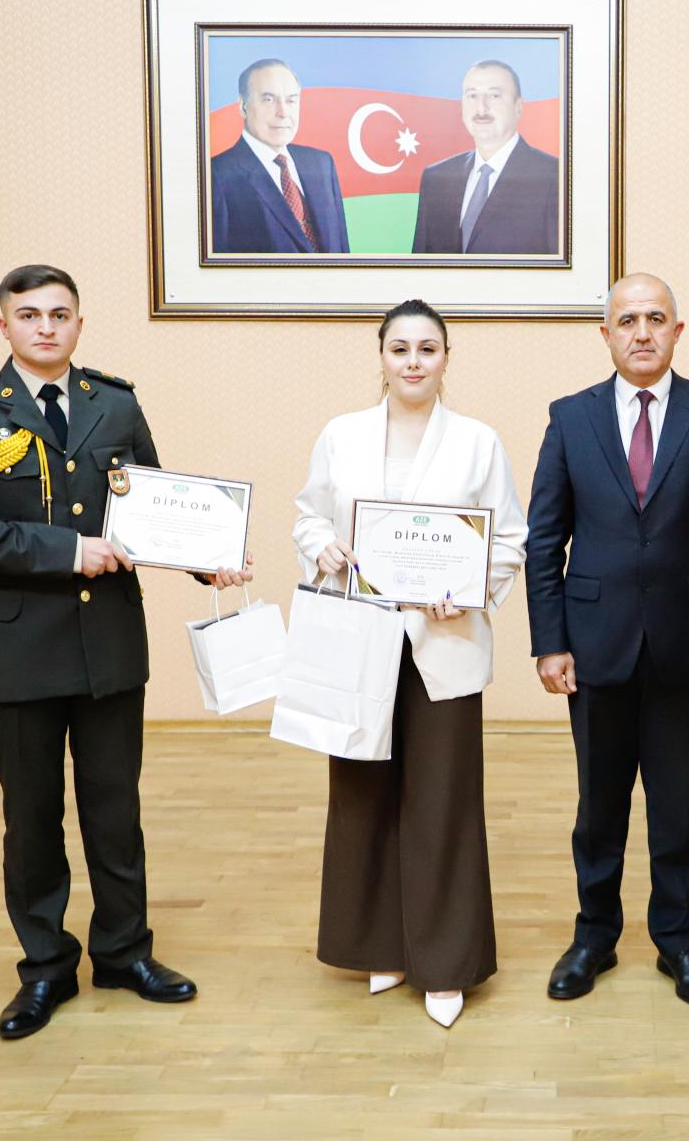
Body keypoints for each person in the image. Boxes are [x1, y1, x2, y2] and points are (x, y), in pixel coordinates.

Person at [0, 264, 250, 1040]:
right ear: (4, 325)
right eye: (29, 315)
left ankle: (125, 953)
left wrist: (208, 559)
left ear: (79, 323)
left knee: (115, 808)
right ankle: (44, 968)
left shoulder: (115, 402)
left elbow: (157, 505)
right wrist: (70, 551)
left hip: (108, 642)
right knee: (32, 817)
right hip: (16, 648)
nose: (46, 327)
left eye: (59, 314)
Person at [526, 273, 689, 1007]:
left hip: (685, 648)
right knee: (597, 808)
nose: (641, 332)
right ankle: (594, 936)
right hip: (593, 645)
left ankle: (679, 943)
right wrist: (549, 641)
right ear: (605, 334)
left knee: (675, 807)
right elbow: (544, 539)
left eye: (655, 319)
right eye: (627, 320)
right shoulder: (570, 418)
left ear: (676, 331)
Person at [291, 300, 528, 1029]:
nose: (414, 361)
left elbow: (509, 539)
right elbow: (309, 515)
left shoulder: (478, 442)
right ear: (382, 357)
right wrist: (323, 547)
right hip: (359, 637)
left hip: (442, 642)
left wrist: (470, 591)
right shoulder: (342, 434)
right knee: (361, 793)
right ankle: (381, 946)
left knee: (442, 800)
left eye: (428, 348)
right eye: (400, 349)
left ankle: (445, 962)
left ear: (446, 358)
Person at [411, 59, 558, 255]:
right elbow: (421, 266)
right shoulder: (436, 178)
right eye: (472, 96)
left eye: (494, 96)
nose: (481, 108)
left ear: (518, 106)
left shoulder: (554, 176)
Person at [210, 58, 351, 254]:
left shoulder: (321, 164)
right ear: (243, 106)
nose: (283, 112)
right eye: (268, 100)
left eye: (291, 100)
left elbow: (343, 253)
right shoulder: (216, 176)